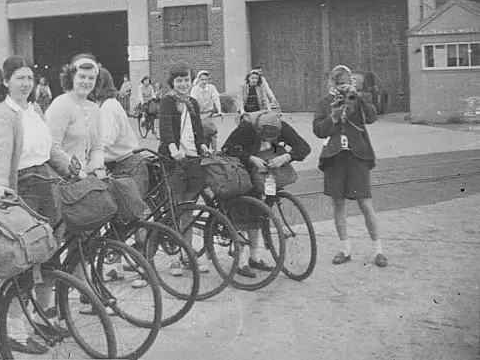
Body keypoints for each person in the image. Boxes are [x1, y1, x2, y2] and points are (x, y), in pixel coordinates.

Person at [0, 56, 70, 355]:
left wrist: (72, 171)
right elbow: (1, 152)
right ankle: (16, 332)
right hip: (20, 188)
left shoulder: (34, 109)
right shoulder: (4, 114)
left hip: (45, 184)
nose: (25, 84)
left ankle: (42, 317)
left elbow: (49, 150)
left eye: (29, 78)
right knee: (23, 258)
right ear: (6, 81)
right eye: (19, 78)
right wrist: (0, 184)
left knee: (49, 253)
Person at [222, 110, 311, 278]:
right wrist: (250, 158)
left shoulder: (282, 126)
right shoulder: (247, 127)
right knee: (243, 212)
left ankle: (255, 257)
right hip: (246, 172)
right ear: (258, 130)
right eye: (264, 139)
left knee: (260, 214)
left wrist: (286, 157)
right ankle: (239, 260)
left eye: (272, 139)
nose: (268, 142)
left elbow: (304, 147)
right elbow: (226, 149)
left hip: (267, 174)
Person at [314, 64, 386, 268]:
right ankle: (345, 249)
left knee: (365, 202)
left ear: (350, 82)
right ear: (331, 84)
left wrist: (359, 97)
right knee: (338, 203)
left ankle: (378, 251)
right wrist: (334, 116)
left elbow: (372, 118)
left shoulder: (359, 97)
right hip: (335, 156)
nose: (340, 87)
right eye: (337, 84)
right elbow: (319, 130)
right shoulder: (324, 103)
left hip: (357, 155)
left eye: (344, 83)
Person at [89, 67, 150, 287]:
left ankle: (145, 270)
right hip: (122, 166)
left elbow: (105, 140)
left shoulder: (108, 107)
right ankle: (116, 267)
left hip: (128, 166)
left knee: (135, 218)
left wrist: (90, 162)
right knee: (117, 219)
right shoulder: (103, 106)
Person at [158, 63, 211, 275]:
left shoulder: (193, 102)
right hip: (174, 160)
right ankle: (175, 260)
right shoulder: (168, 101)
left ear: (192, 81)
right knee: (176, 209)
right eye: (179, 80)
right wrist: (172, 148)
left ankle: (187, 255)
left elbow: (198, 130)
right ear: (173, 82)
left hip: (192, 159)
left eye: (186, 80)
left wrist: (204, 146)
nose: (183, 84)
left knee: (188, 208)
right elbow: (165, 128)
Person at [45, 53, 104, 175]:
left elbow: (97, 146)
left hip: (87, 175)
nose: (86, 82)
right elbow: (52, 147)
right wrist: (76, 171)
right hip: (64, 176)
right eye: (81, 77)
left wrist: (96, 167)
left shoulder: (94, 109)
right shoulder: (61, 104)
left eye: (91, 78)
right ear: (72, 78)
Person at [190, 70, 223, 149]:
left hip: (209, 114)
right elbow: (193, 102)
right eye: (202, 79)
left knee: (213, 131)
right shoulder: (195, 89)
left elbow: (216, 99)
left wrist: (219, 111)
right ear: (198, 80)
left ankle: (214, 150)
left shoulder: (211, 87)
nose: (204, 82)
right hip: (199, 114)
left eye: (206, 79)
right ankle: (203, 150)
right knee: (201, 133)